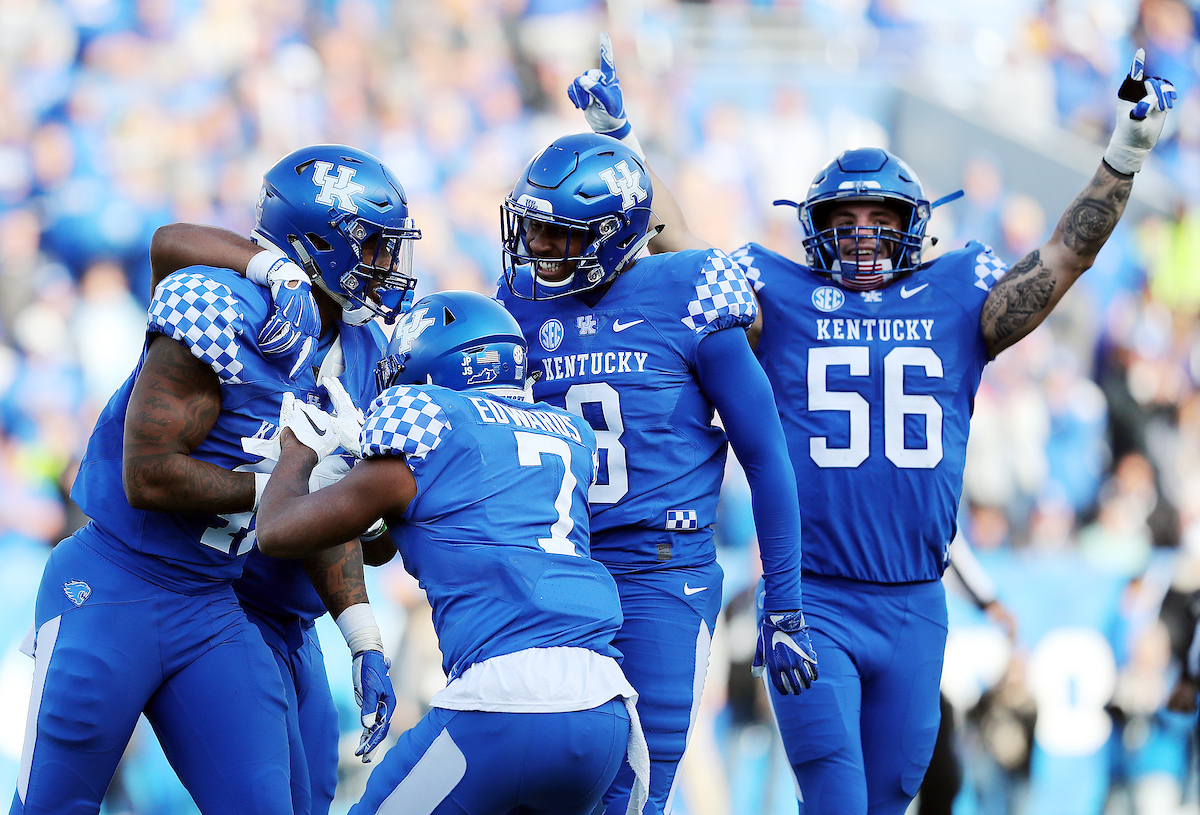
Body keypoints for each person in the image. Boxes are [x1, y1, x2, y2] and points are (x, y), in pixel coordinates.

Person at [568, 37, 1175, 815]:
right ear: (813, 223)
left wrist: (1124, 152)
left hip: (917, 602)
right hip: (812, 597)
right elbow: (675, 242)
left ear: (912, 222)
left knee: (889, 802)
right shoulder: (775, 294)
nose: (860, 230)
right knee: (836, 800)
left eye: (878, 213)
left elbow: (1066, 253)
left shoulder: (959, 293)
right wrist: (622, 140)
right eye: (843, 215)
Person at [12, 143, 414, 815]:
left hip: (212, 600)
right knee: (55, 806)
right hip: (115, 581)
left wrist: (363, 632)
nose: (384, 263)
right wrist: (287, 491)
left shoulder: (363, 347)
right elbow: (150, 475)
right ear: (317, 240)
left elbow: (337, 522)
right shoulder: (222, 303)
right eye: (369, 244)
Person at [494, 87, 818, 814]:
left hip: (658, 573)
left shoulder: (690, 288)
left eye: (558, 234)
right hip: (555, 567)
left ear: (611, 234)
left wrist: (785, 606)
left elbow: (766, 457)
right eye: (534, 229)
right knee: (534, 782)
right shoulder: (518, 301)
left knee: (633, 791)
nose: (537, 248)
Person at [255, 289, 650, 815]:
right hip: (605, 710)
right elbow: (410, 532)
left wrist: (300, 446)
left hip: (506, 702)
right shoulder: (569, 435)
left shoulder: (433, 427)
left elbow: (276, 530)